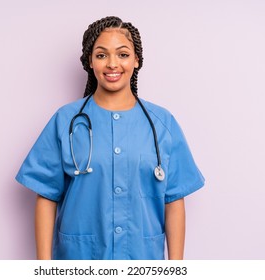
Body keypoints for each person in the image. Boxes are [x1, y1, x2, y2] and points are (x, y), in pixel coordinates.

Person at [15, 16, 205, 260]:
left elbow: (174, 200)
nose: (112, 64)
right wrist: (44, 269)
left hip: (141, 259)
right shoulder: (66, 120)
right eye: (102, 55)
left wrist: (176, 269)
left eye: (123, 54)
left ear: (137, 61)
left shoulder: (162, 123)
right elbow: (46, 196)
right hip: (79, 258)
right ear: (90, 62)